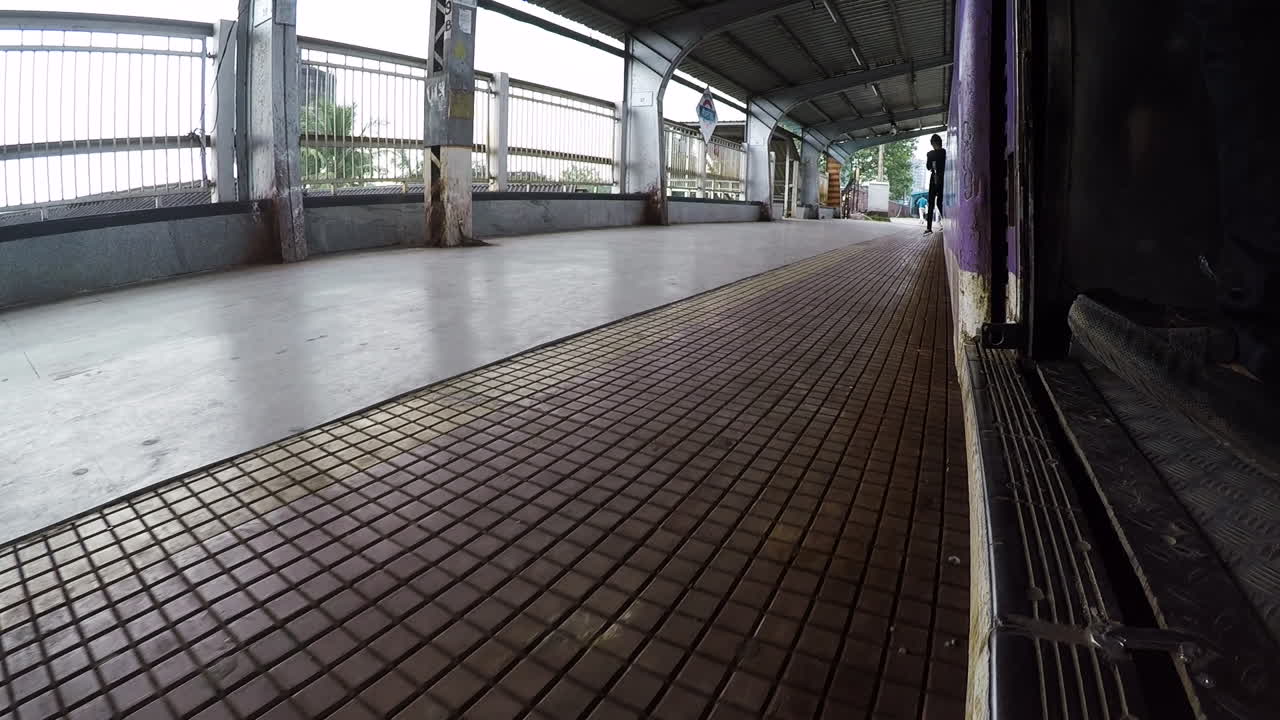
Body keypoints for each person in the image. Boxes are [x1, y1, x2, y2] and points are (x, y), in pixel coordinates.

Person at [924, 134, 945, 234]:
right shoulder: (945, 152)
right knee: (940, 202)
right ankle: (946, 223)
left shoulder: (930, 154)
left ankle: (929, 228)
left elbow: (928, 167)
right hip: (942, 179)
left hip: (934, 180)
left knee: (931, 203)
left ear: (932, 143)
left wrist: (930, 157)